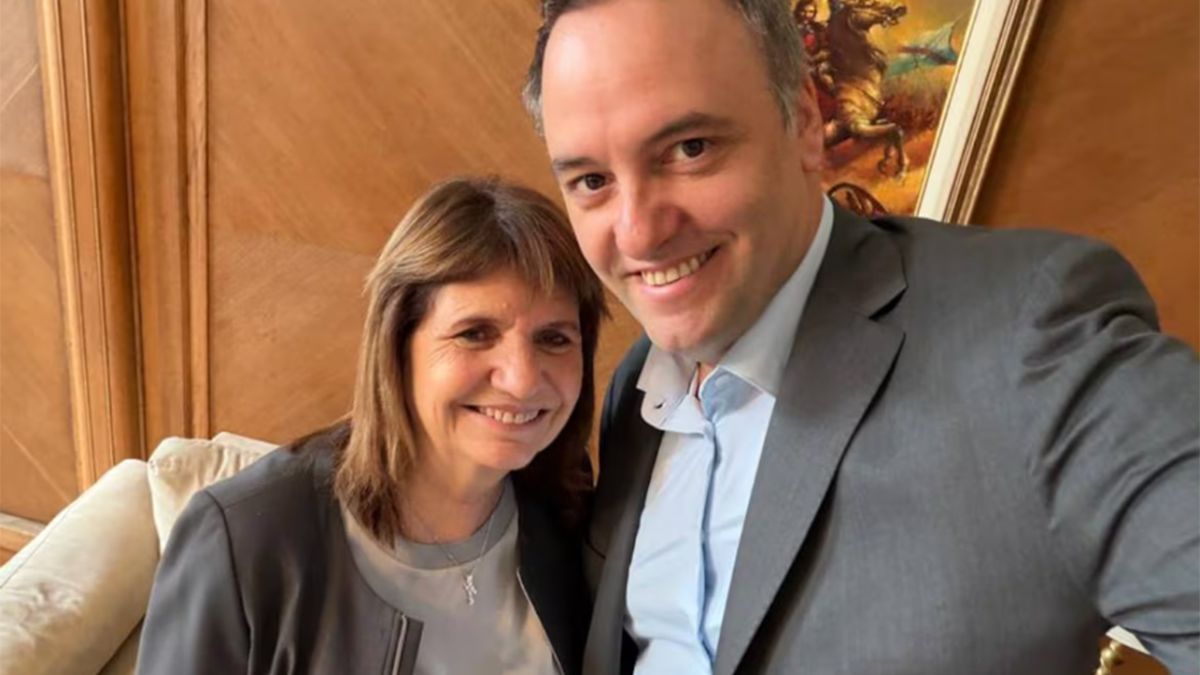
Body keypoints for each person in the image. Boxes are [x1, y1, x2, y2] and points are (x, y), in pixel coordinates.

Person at [522, 1, 1200, 674]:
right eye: (592, 181)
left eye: (689, 149)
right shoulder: (636, 388)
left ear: (804, 123)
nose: (638, 233)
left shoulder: (1035, 337)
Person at [137, 177, 606, 674]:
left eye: (554, 339)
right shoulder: (244, 538)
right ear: (396, 344)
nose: (522, 379)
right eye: (474, 334)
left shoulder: (565, 501)